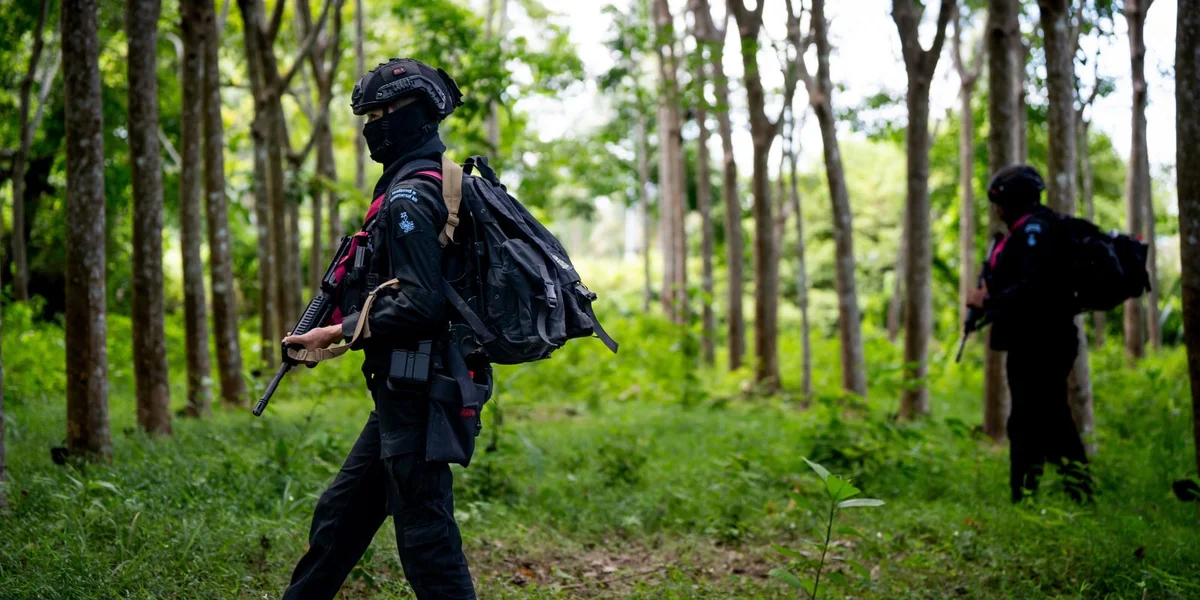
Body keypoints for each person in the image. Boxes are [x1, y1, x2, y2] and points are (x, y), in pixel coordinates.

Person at [278, 58, 480, 600]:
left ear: (416, 115)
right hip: (404, 388)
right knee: (341, 517)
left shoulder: (411, 196)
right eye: (370, 113)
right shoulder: (424, 184)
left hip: (420, 387)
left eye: (386, 111)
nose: (375, 123)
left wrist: (334, 332)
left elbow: (419, 303)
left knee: (426, 540)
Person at [966, 164, 1094, 504]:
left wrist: (989, 299)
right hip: (1034, 341)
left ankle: (1046, 495)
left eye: (1000, 202)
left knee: (1039, 418)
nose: (998, 211)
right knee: (1038, 417)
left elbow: (1037, 288)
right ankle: (1036, 494)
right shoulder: (1031, 231)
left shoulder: (1036, 232)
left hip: (1042, 342)